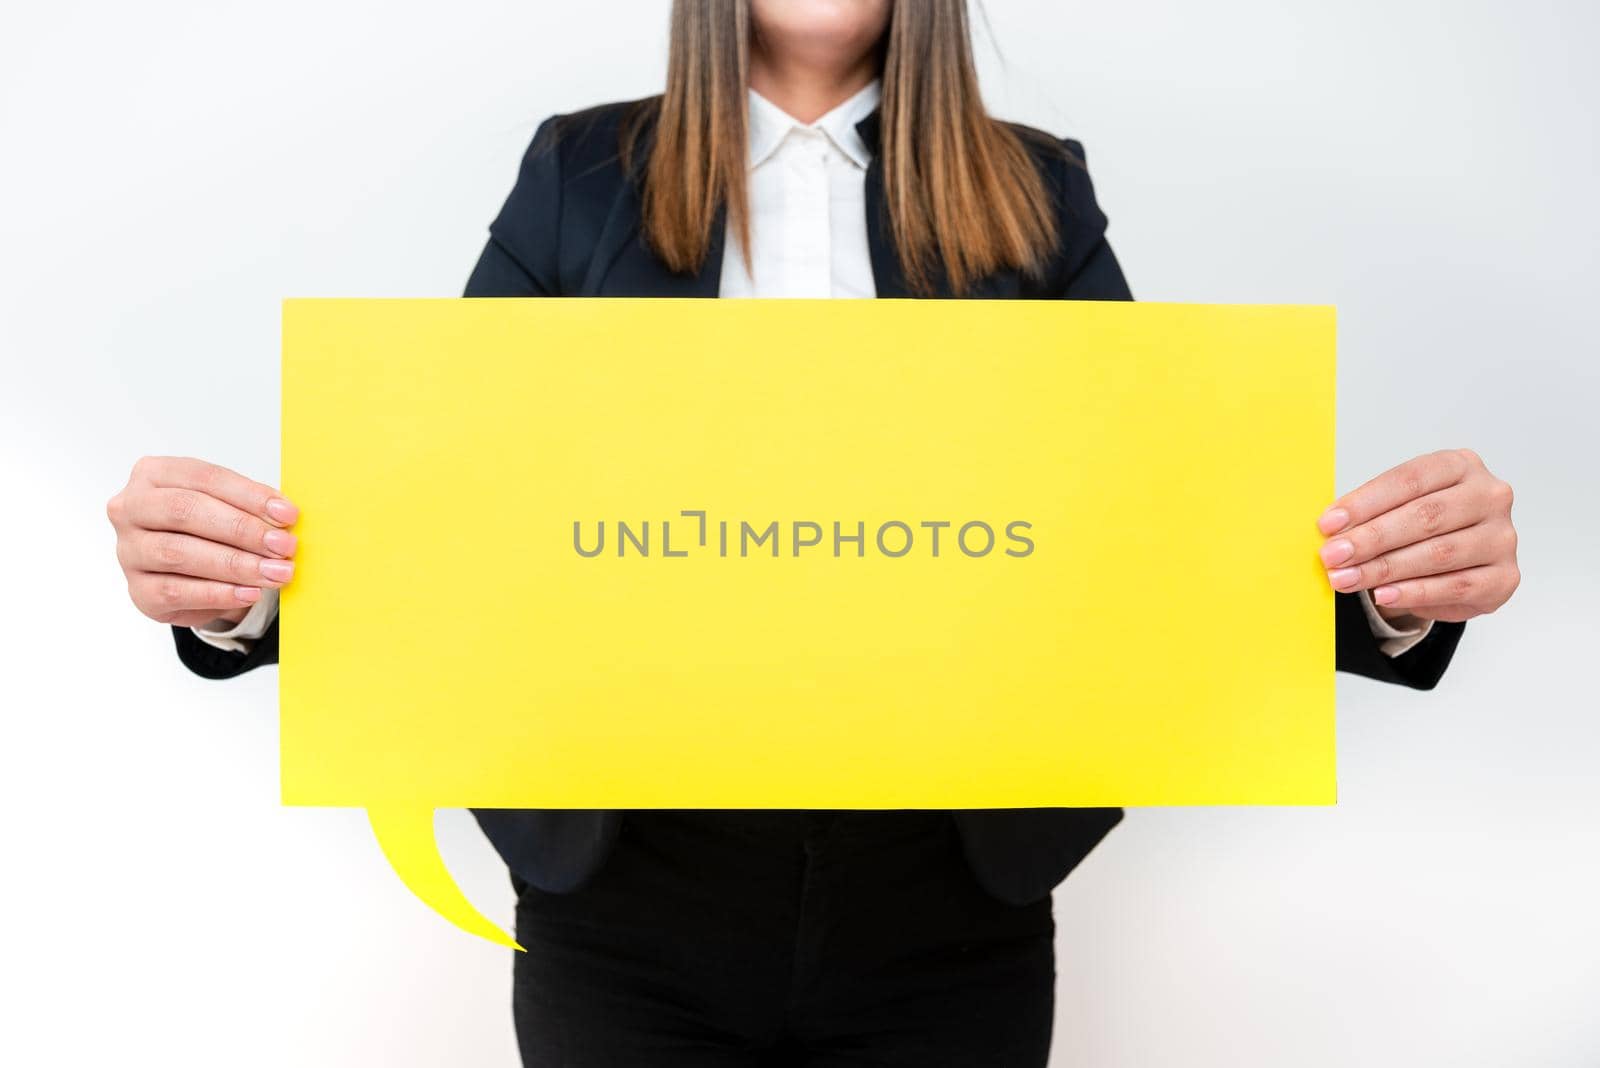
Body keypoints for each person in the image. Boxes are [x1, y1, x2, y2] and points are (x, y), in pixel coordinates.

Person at [105, 1, 1521, 1064]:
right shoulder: (576, 174)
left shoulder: (1035, 190)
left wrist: (1393, 592)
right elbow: (460, 525)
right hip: (628, 892)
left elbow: (1140, 543)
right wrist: (238, 595)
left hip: (947, 897)